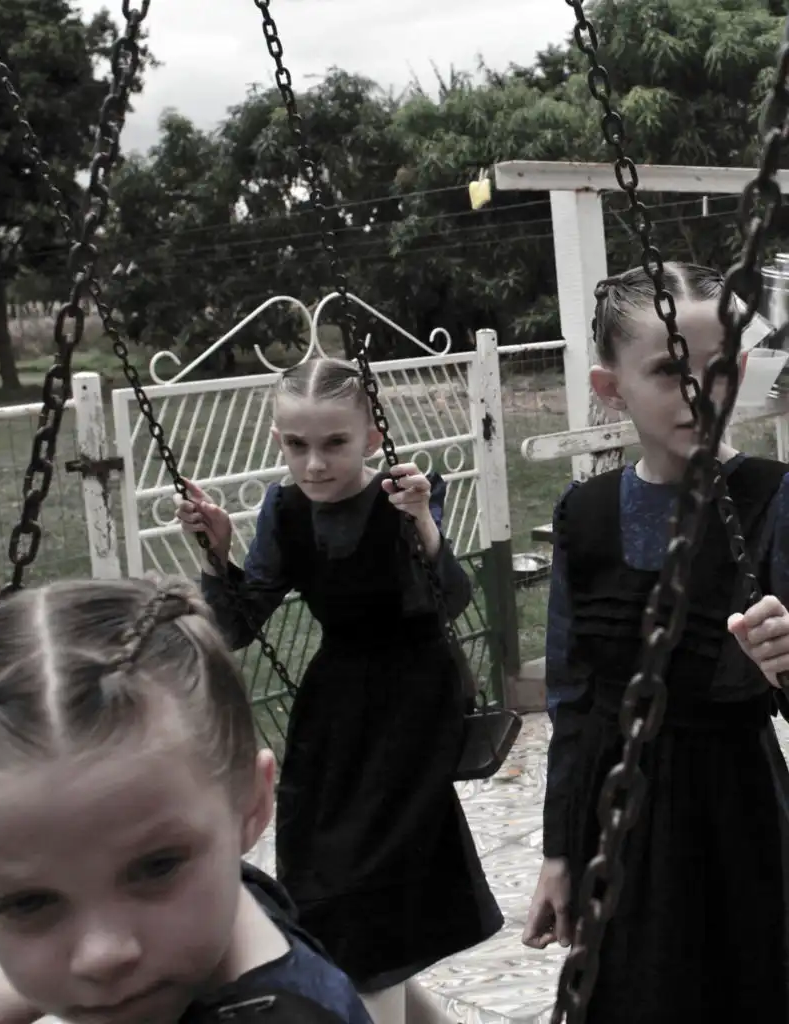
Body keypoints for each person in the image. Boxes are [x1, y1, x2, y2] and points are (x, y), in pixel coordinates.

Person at [176, 357, 503, 1024]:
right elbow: (238, 625)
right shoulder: (285, 510)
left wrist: (424, 523)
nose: (316, 463)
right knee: (325, 881)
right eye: (297, 445)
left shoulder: (404, 496)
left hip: (414, 700)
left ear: (372, 439)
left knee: (373, 885)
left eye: (334, 443)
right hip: (336, 709)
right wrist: (216, 551)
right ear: (279, 441)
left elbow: (447, 600)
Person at [0, 576, 375, 1024]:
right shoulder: (226, 896)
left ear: (251, 805)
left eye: (157, 867)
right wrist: (20, 992)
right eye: (28, 903)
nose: (103, 955)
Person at [522, 262, 789, 1022]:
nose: (698, 391)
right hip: (617, 820)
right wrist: (558, 852)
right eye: (670, 371)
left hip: (734, 814)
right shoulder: (585, 514)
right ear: (612, 390)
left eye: (717, 367)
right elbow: (571, 699)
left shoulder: (773, 497)